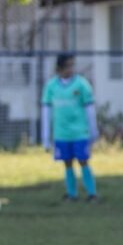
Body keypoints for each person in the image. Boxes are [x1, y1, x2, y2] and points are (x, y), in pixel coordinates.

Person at [41, 54, 99, 202]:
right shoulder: (51, 86)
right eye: (68, 65)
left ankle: (92, 193)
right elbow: (46, 111)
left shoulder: (82, 84)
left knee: (83, 160)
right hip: (61, 134)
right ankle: (72, 194)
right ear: (59, 68)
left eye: (73, 65)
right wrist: (46, 138)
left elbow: (90, 109)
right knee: (67, 162)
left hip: (80, 132)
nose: (71, 69)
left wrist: (93, 132)